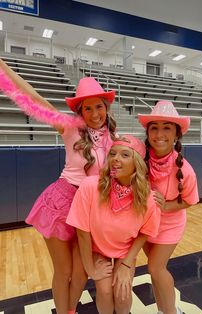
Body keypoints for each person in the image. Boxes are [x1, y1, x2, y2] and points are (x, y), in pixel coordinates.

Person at [0, 59, 117, 314]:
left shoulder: (115, 140)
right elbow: (33, 97)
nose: (95, 114)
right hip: (62, 203)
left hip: (90, 210)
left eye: (99, 106)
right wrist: (3, 70)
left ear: (106, 107)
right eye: (88, 108)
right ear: (80, 112)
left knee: (81, 273)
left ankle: (69, 309)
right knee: (63, 272)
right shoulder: (70, 128)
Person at [66, 134, 161, 314]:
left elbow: (145, 232)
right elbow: (82, 233)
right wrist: (91, 270)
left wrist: (126, 264)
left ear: (137, 163)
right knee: (104, 290)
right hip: (96, 248)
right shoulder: (90, 186)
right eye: (112, 154)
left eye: (125, 155)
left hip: (125, 251)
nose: (116, 159)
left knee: (122, 292)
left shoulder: (147, 197)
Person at [138, 100, 199, 314]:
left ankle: (172, 312)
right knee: (155, 272)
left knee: (156, 268)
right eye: (154, 128)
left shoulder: (185, 170)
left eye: (167, 128)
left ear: (176, 135)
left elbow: (189, 200)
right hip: (145, 225)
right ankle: (162, 309)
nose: (159, 134)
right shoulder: (140, 157)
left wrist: (166, 206)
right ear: (148, 132)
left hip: (169, 226)